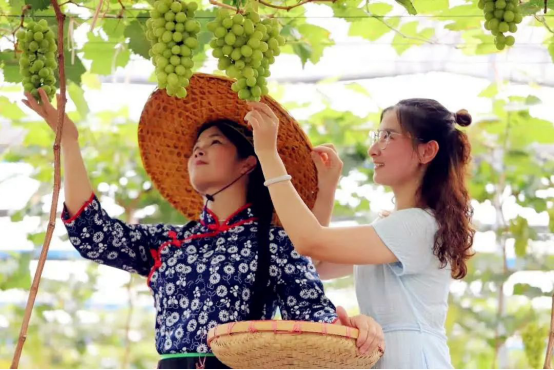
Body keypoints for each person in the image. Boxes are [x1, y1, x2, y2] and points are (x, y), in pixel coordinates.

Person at [22, 77, 385, 370]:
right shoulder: (169, 243)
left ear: (248, 163)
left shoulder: (275, 242)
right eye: (197, 144)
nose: (198, 150)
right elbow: (93, 235)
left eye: (214, 142)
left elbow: (312, 314)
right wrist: (69, 142)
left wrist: (355, 325)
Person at [246, 98, 476, 369]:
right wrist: (327, 188)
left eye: (389, 136)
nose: (373, 149)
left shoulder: (415, 225)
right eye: (378, 136)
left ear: (427, 152)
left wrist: (268, 155)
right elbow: (315, 264)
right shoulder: (394, 225)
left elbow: (311, 242)